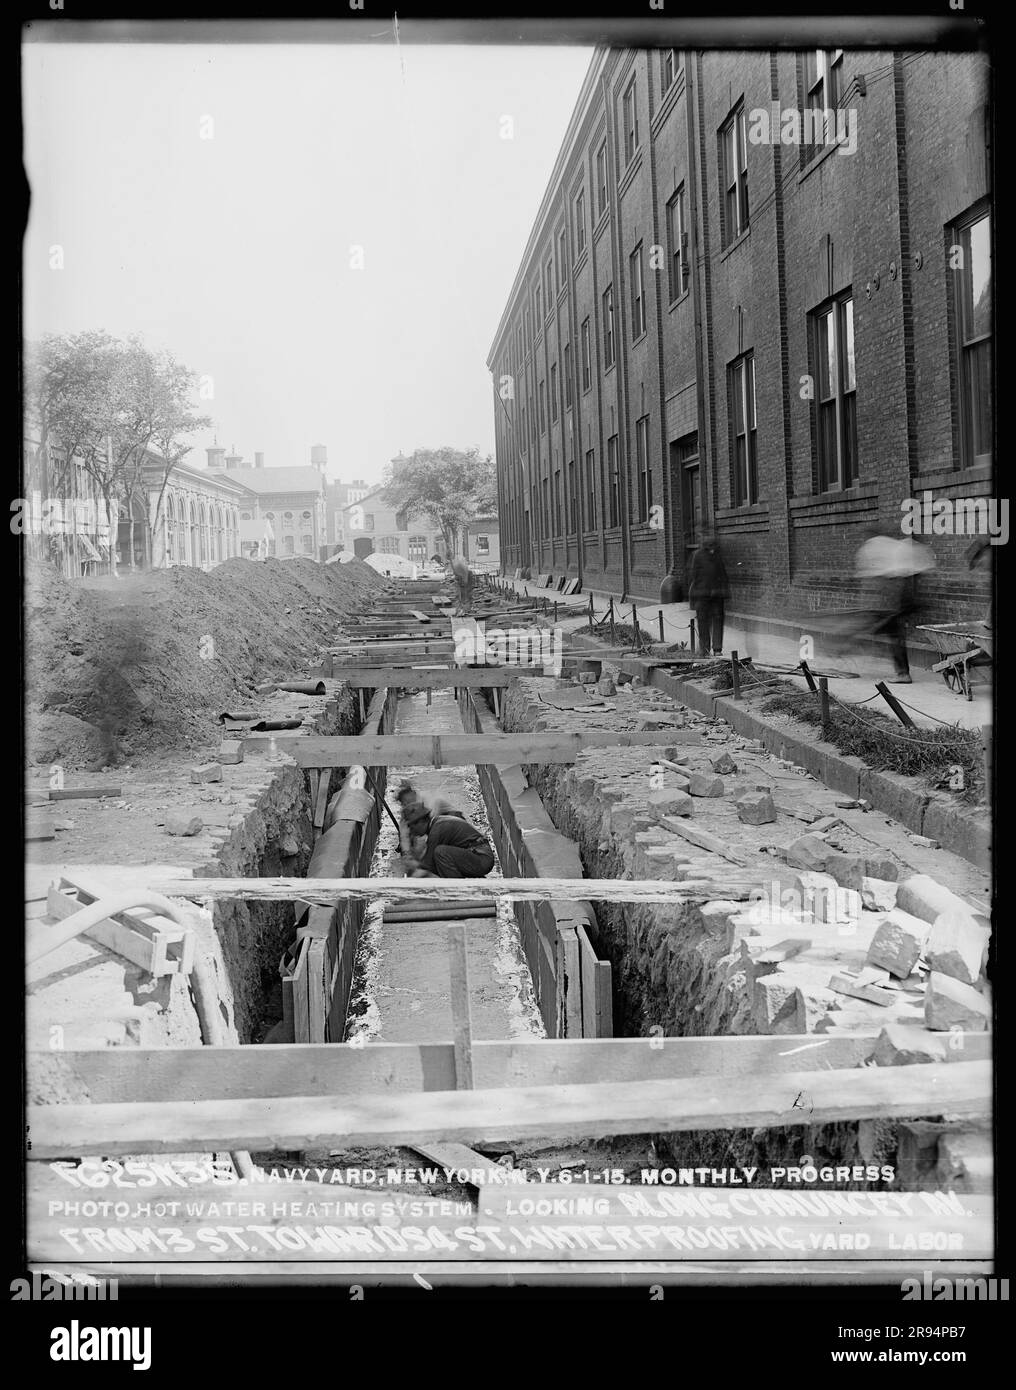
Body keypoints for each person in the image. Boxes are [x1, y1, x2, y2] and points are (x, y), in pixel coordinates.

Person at [854, 526, 935, 684]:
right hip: (905, 598)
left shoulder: (889, 549)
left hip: (901, 598)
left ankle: (903, 674)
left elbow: (894, 578)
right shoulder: (909, 549)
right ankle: (901, 670)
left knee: (893, 633)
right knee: (894, 633)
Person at [403, 799, 495, 879]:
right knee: (440, 858)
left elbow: (429, 864)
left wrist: (415, 864)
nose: (411, 831)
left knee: (441, 853)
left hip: (482, 859)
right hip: (478, 855)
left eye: (411, 827)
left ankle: (457, 890)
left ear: (421, 821)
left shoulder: (437, 830)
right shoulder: (437, 822)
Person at [688, 530, 730, 657]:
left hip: (708, 594)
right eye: (710, 547)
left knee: (707, 621)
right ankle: (711, 648)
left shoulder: (701, 555)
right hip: (707, 594)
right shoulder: (713, 555)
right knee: (708, 621)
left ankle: (710, 649)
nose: (712, 549)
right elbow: (722, 575)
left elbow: (694, 576)